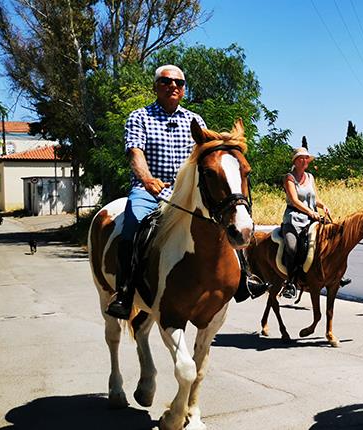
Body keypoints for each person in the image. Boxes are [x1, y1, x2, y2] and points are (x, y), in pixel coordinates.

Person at [105, 65, 265, 319]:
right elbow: (135, 152)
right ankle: (125, 292)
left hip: (185, 193)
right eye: (167, 81)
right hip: (149, 190)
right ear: (156, 86)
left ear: (183, 89)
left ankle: (244, 276)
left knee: (227, 216)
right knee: (133, 223)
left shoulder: (194, 121)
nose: (173, 86)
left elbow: (210, 156)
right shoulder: (139, 117)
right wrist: (146, 179)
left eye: (179, 83)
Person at [280, 143, 350, 299]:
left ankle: (335, 274)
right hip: (294, 219)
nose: (305, 161)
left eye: (306, 158)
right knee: (291, 247)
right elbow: (294, 200)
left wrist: (322, 205)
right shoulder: (289, 178)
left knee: (333, 239)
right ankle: (290, 282)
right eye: (301, 158)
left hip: (312, 218)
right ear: (295, 161)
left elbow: (314, 198)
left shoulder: (310, 177)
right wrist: (311, 212)